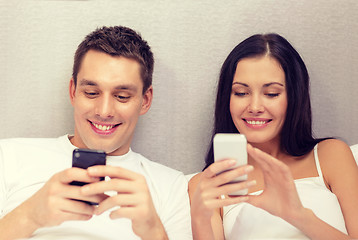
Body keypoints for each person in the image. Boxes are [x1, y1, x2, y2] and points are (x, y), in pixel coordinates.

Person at [0, 26, 191, 240]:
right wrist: (29, 216)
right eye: (91, 93)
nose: (104, 111)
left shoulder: (172, 186)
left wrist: (154, 232)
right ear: (73, 92)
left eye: (122, 96)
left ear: (145, 100)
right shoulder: (8, 157)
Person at [188, 33, 358, 239]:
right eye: (241, 93)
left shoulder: (331, 155)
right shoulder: (208, 184)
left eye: (271, 94)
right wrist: (199, 218)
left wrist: (298, 215)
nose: (255, 107)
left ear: (294, 97)